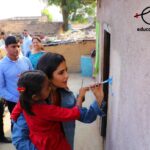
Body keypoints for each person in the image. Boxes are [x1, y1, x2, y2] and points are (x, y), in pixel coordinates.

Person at [12, 52, 106, 150]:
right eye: (61, 72)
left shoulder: (66, 95)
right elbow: (19, 140)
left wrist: (98, 99)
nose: (67, 76)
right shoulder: (29, 103)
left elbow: (86, 117)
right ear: (47, 76)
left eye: (66, 70)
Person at [0, 36, 33, 114]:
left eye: (18, 46)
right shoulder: (1, 65)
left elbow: (34, 77)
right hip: (14, 102)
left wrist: (27, 76)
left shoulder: (26, 60)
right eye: (13, 46)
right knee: (16, 124)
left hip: (30, 99)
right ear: (6, 48)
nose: (17, 49)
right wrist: (17, 99)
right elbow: (1, 89)